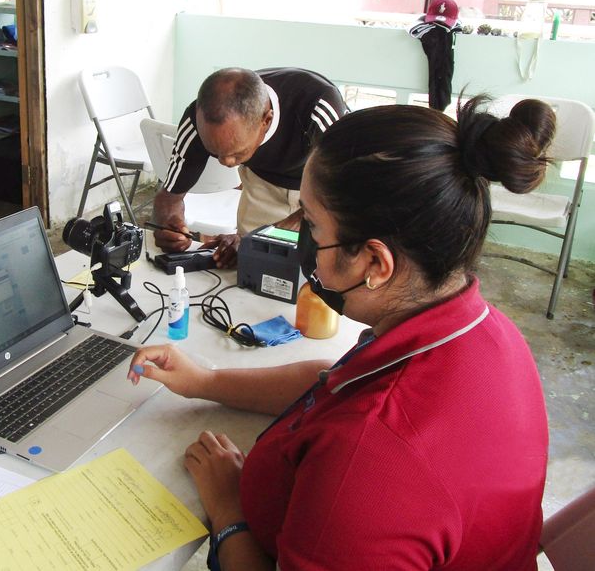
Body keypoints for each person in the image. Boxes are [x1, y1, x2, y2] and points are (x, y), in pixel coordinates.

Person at [129, 96, 554, 570]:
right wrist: (205, 382)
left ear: (374, 263)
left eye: (311, 223)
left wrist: (229, 510)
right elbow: (336, 380)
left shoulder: (368, 462)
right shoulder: (481, 330)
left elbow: (369, 432)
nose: (301, 240)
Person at [153, 67, 347, 268]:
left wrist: (272, 234)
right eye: (215, 152)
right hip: (262, 183)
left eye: (237, 153)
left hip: (321, 190)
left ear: (266, 120)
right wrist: (169, 227)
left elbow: (341, 196)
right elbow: (169, 198)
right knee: (252, 270)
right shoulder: (198, 120)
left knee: (319, 272)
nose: (226, 163)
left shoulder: (319, 106)